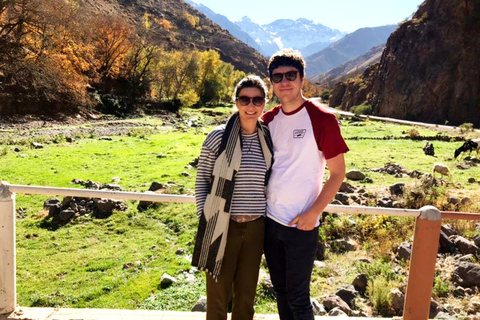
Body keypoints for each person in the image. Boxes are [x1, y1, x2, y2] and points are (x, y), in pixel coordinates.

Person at [262, 49, 349, 320]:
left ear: (302, 79)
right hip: (270, 220)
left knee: (299, 299)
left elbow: (338, 173)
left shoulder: (322, 118)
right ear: (271, 82)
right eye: (278, 77)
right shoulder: (268, 120)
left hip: (302, 224)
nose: (284, 81)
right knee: (280, 291)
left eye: (291, 75)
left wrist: (314, 213)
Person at [192, 75, 274, 320]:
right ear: (236, 102)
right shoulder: (218, 137)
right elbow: (202, 180)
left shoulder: (267, 138)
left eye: (257, 100)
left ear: (265, 103)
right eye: (245, 99)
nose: (251, 106)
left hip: (256, 227)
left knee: (246, 297)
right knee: (217, 295)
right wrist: (205, 220)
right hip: (221, 225)